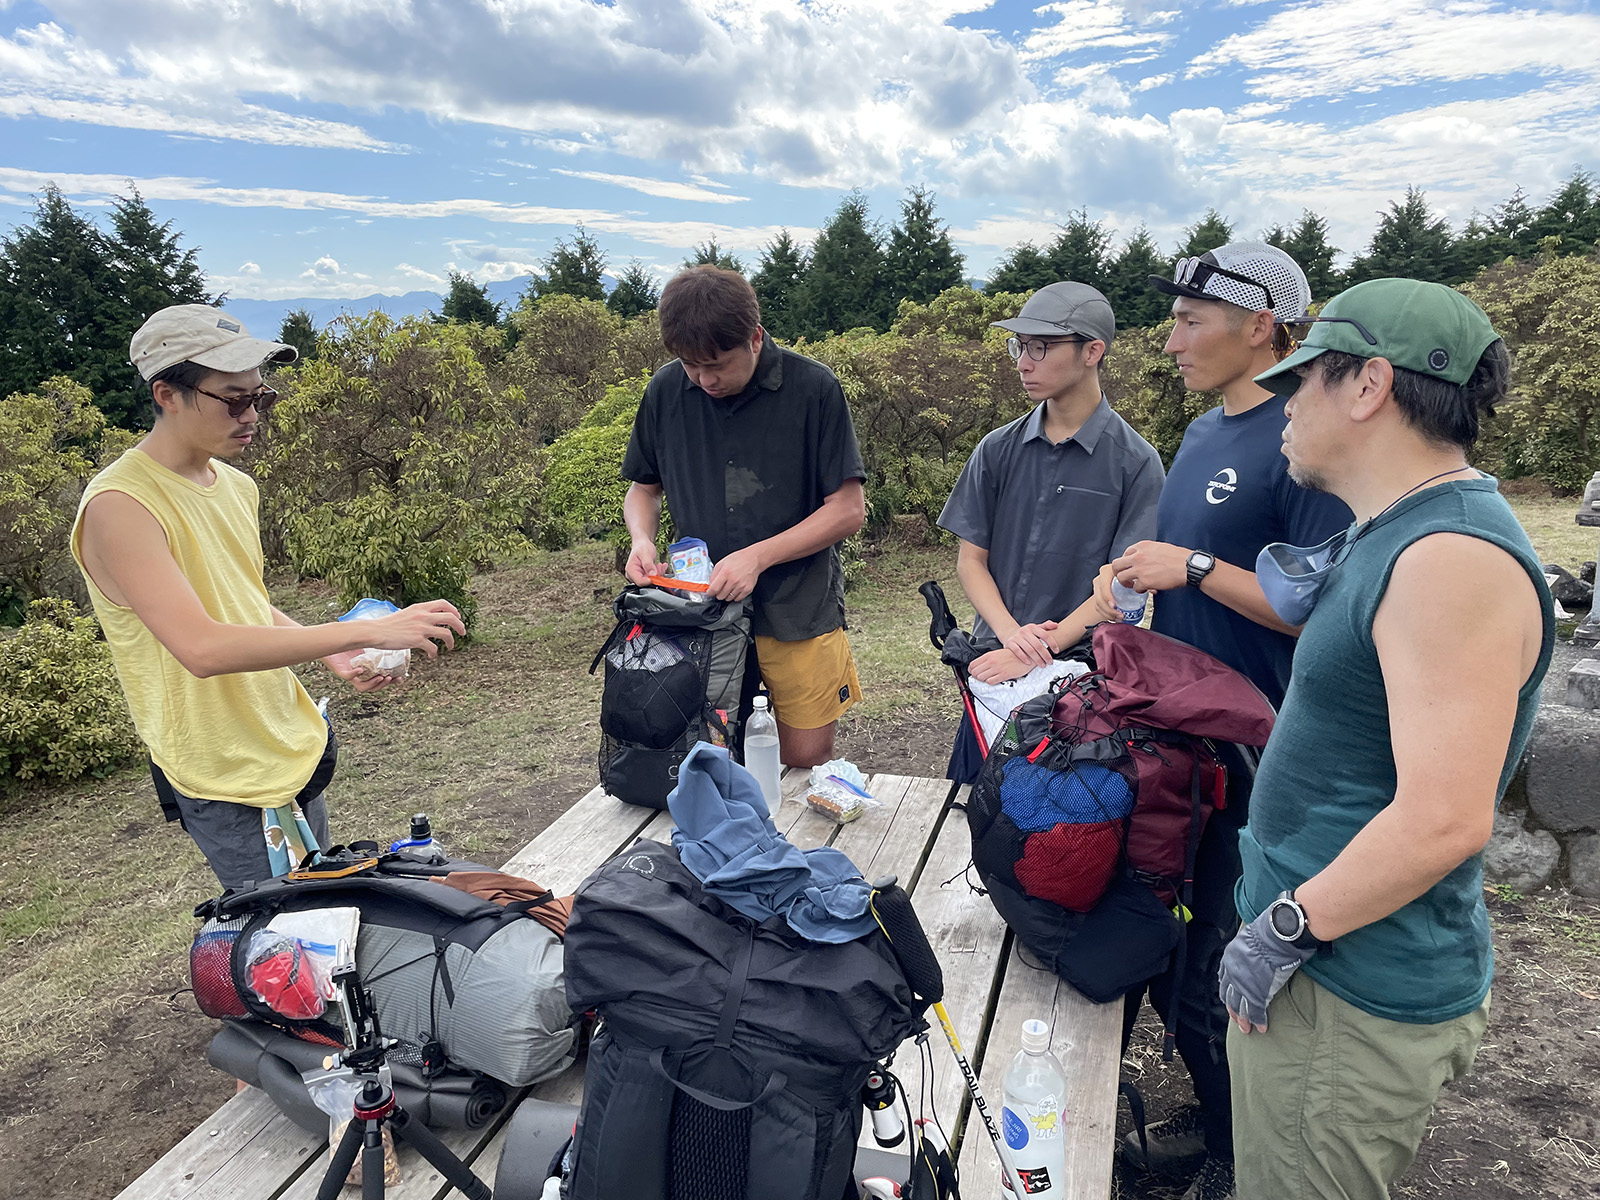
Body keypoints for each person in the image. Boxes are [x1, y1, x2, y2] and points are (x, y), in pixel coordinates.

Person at [1219, 279, 1552, 1200]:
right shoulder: (1400, 533)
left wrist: (1283, 930)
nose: (1283, 404)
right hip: (1327, 969)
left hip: (1345, 988)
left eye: (1302, 382)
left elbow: (1446, 819)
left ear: (1368, 385)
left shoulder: (1449, 561)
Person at [1099, 244, 1353, 1200]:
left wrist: (1193, 570)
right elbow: (1180, 569)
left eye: (1190, 321)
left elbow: (1319, 604)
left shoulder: (1305, 439)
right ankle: (1214, 1122)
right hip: (1180, 737)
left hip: (1259, 750)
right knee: (1175, 948)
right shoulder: (1206, 432)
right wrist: (1132, 587)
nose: (1169, 342)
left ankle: (1237, 1162)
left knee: (1218, 961)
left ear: (1262, 326)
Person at [71, 304, 466, 890]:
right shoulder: (121, 507)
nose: (252, 414)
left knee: (324, 913)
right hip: (222, 767)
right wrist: (369, 630)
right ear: (167, 394)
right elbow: (200, 647)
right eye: (234, 399)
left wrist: (328, 655)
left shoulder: (233, 485)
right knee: (282, 948)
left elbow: (244, 602)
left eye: (261, 397)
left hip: (285, 740)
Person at [620, 266, 867, 768]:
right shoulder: (665, 391)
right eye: (690, 365)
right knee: (703, 757)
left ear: (754, 338)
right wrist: (641, 539)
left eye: (716, 364)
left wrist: (757, 557)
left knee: (804, 762)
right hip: (699, 616)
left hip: (798, 606)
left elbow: (847, 509)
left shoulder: (814, 388)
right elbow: (643, 489)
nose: (704, 379)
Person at [937, 281, 1163, 782]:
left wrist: (1045, 649)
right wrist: (1014, 639)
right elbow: (970, 560)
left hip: (1080, 686)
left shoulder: (1136, 464)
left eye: (1041, 346)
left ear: (1092, 351)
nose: (1024, 361)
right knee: (974, 812)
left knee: (1055, 837)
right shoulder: (997, 449)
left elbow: (1122, 591)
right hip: (993, 664)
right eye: (1020, 345)